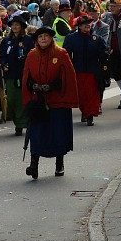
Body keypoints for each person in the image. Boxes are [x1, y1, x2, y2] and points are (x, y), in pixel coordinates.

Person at [21, 25, 78, 179]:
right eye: (40, 37)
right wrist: (34, 85)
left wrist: (51, 86)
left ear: (51, 38)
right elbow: (27, 77)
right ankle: (34, 165)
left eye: (46, 36)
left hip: (57, 100)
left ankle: (59, 163)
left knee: (58, 132)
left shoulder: (61, 54)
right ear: (37, 40)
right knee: (37, 133)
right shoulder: (32, 55)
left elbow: (67, 77)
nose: (43, 39)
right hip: (39, 101)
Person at [62, 15, 106, 126]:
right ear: (79, 26)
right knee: (81, 95)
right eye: (83, 24)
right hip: (78, 70)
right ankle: (85, 112)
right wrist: (69, 68)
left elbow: (103, 55)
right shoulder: (71, 38)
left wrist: (104, 70)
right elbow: (66, 54)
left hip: (93, 71)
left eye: (88, 23)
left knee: (92, 94)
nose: (87, 25)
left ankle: (90, 115)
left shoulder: (96, 38)